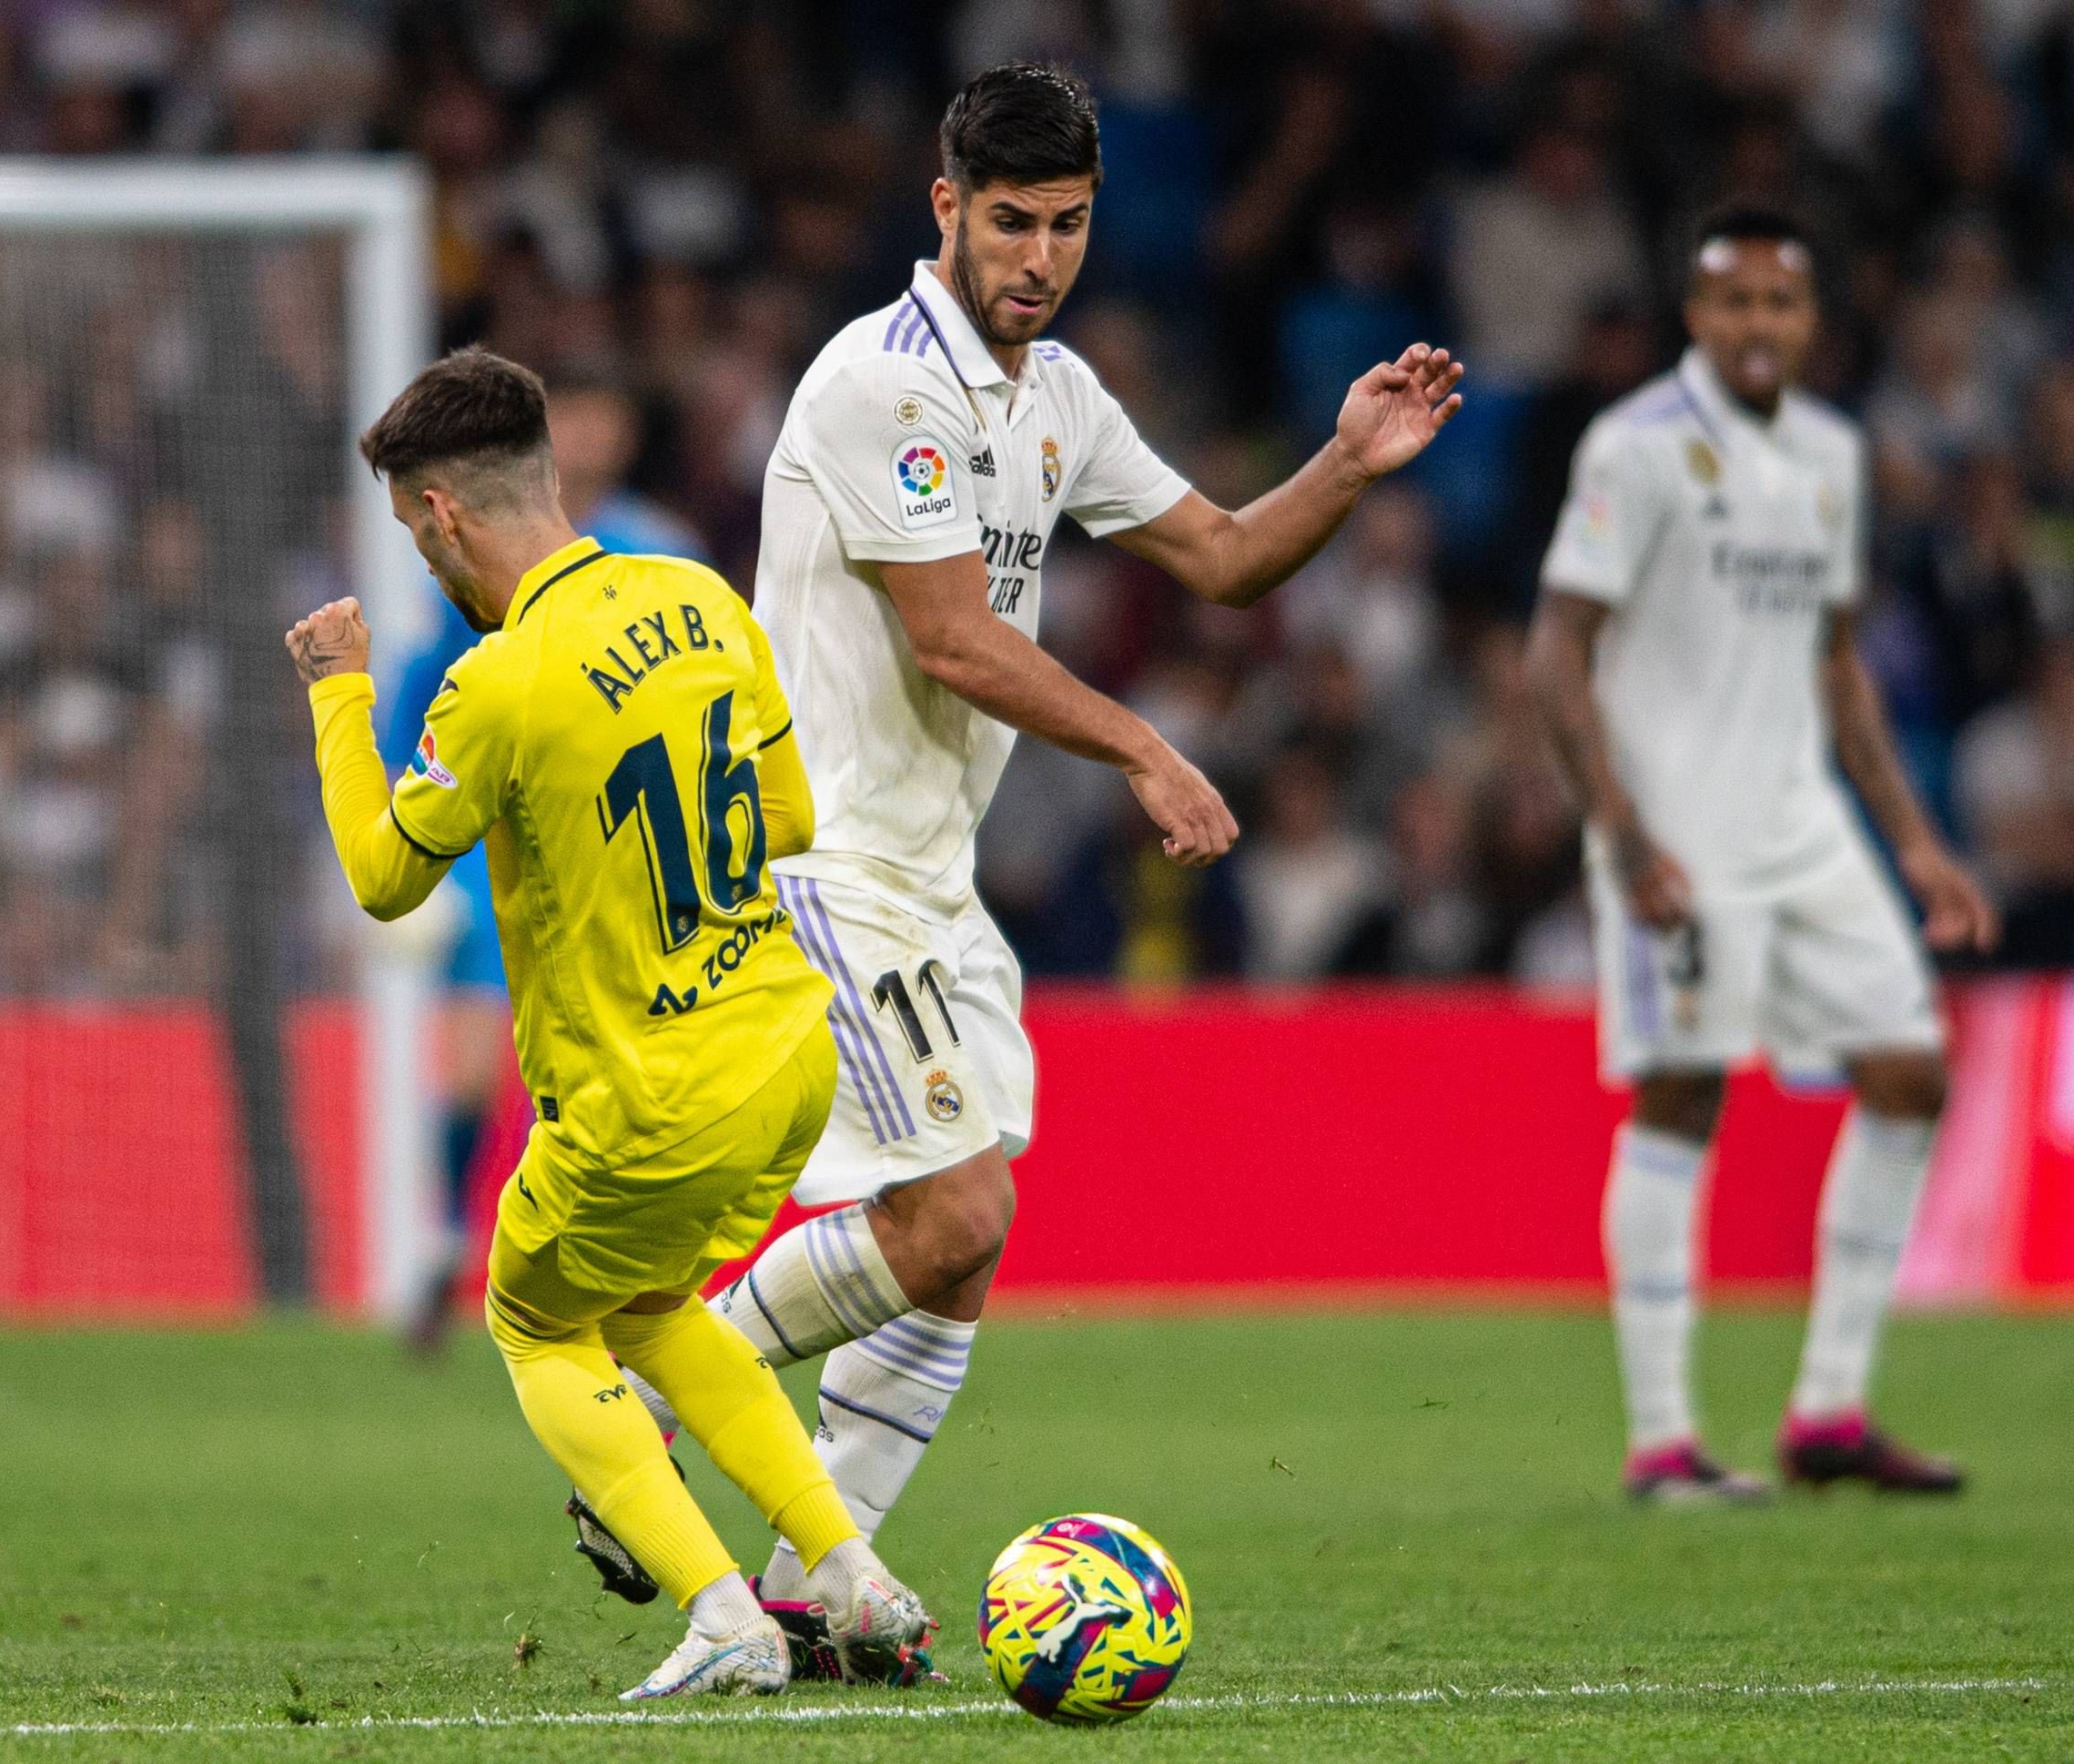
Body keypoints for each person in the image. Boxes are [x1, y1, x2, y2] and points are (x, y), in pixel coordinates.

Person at [593, 61, 1462, 1656]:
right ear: (945, 208)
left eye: (1066, 225)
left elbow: (1220, 558)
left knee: (957, 1263)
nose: (1038, 257)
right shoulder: (878, 384)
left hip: (934, 882)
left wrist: (1345, 460)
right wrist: (1142, 744)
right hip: (820, 861)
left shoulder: (1055, 395)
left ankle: (806, 1593)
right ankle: (656, 1390)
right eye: (1009, 222)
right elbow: (954, 638)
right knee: (956, 1209)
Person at [288, 347, 928, 1698]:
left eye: (415, 532)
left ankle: (720, 1610)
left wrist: (336, 689)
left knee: (532, 1317)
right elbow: (793, 817)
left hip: (653, 1090)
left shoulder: (498, 682)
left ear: (447, 513)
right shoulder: (699, 598)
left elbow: (383, 876)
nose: (422, 561)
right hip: (783, 1053)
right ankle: (852, 1573)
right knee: (644, 1304)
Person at [1525, 208, 1999, 1505]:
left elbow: (1836, 660)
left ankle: (1828, 1412)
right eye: (1731, 303)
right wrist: (1617, 827)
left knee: (1909, 1071)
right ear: (1694, 315)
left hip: (1802, 827)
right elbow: (1553, 650)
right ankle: (1662, 1438)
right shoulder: (1633, 450)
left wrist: (1912, 842)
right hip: (1674, 832)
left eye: (1778, 306)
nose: (1755, 327)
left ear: (1808, 321)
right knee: (1684, 1092)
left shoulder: (1831, 455)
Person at [378, 380, 709, 1353]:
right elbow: (424, 693)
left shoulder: (660, 547)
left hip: (626, 837)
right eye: (572, 414)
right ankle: (447, 1234)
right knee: (481, 1052)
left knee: (611, 1056)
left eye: (604, 412)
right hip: (505, 836)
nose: (590, 431)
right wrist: (410, 797)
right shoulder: (486, 551)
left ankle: (604, 1257)